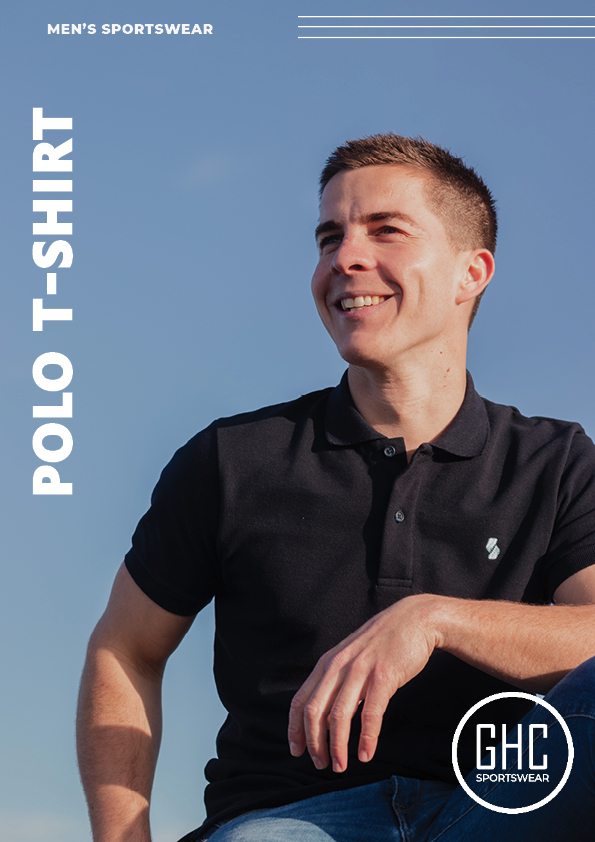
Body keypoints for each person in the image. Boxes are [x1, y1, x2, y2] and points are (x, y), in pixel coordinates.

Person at [77, 134, 595, 842]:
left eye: (384, 230)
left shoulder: (554, 460)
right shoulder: (232, 459)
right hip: (289, 819)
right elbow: (125, 648)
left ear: (469, 273)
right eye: (329, 237)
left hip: (495, 808)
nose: (344, 257)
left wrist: (432, 620)